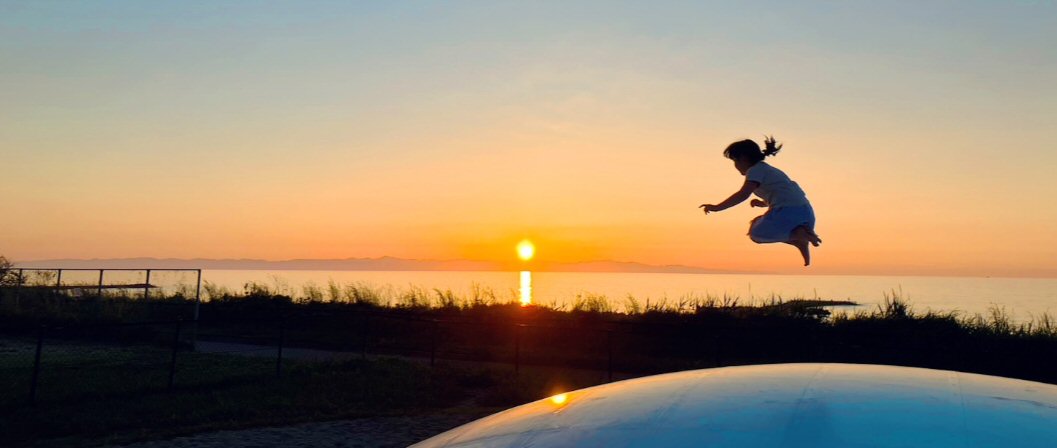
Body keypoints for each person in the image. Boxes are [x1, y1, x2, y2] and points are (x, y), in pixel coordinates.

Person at [699, 136, 821, 265]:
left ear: (743, 158)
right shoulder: (770, 171)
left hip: (787, 214)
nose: (735, 166)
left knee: (756, 234)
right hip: (806, 214)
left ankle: (799, 236)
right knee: (765, 223)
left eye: (735, 161)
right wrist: (763, 203)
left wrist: (717, 207)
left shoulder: (754, 170)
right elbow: (784, 195)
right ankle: (801, 240)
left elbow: (742, 194)